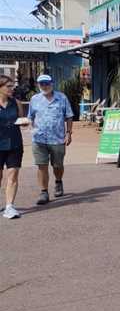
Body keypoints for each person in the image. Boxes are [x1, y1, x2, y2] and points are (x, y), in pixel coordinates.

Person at [28, 74, 73, 205]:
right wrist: (29, 126)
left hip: (57, 139)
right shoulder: (34, 99)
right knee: (41, 166)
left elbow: (69, 116)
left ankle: (58, 181)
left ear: (52, 84)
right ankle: (43, 192)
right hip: (39, 138)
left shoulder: (62, 97)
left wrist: (69, 133)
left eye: (47, 83)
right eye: (41, 84)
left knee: (57, 165)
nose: (44, 86)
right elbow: (30, 117)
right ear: (38, 85)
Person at [0, 74, 24, 218]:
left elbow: (21, 119)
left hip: (15, 144)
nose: (12, 88)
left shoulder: (16, 103)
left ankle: (9, 207)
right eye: (9, 86)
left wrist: (25, 122)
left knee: (13, 174)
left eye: (12, 86)